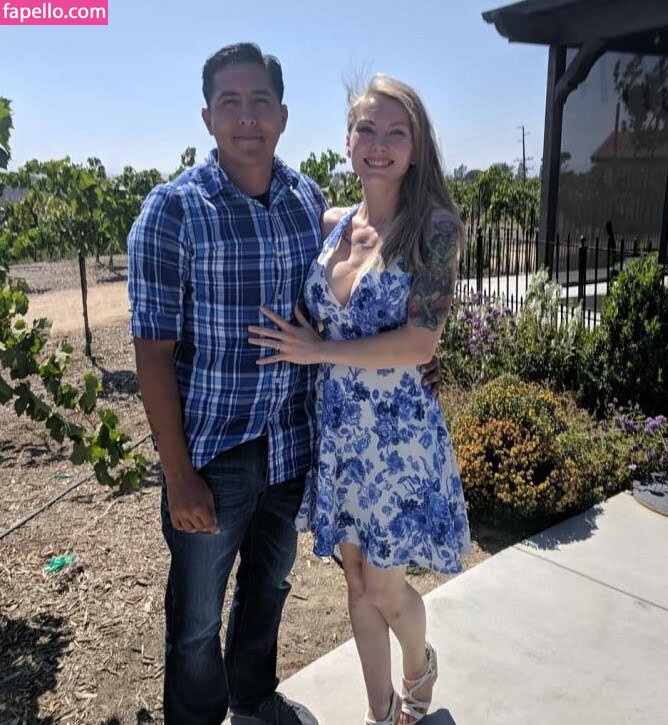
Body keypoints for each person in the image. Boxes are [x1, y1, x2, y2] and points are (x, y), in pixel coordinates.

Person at [128, 44, 440, 725]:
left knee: (267, 589)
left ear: (283, 115)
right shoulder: (173, 211)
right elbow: (151, 351)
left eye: (260, 102)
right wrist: (177, 475)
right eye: (230, 103)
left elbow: (372, 278)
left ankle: (254, 698)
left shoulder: (306, 203)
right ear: (208, 118)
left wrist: (408, 351)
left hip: (295, 443)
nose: (247, 117)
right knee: (196, 618)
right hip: (215, 451)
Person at [247, 75, 472, 725]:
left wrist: (318, 351)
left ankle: (419, 665)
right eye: (367, 129)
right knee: (353, 581)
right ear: (347, 140)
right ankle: (382, 713)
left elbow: (421, 342)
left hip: (398, 436)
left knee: (384, 586)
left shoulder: (434, 228)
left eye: (396, 132)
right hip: (340, 431)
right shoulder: (330, 224)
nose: (380, 143)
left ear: (416, 146)